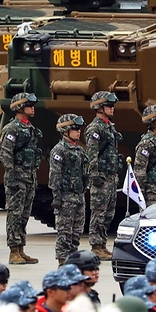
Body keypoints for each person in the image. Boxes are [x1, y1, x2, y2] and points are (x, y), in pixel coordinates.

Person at [0, 92, 42, 265]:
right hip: (17, 179)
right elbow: (6, 153)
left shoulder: (29, 128)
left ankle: (21, 248)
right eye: (28, 105)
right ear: (19, 107)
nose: (32, 107)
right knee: (15, 214)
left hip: (29, 177)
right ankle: (13, 251)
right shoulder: (12, 129)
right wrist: (13, 175)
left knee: (24, 215)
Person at [84, 91, 122, 260]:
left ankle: (102, 244)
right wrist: (94, 175)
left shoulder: (109, 127)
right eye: (109, 105)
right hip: (101, 178)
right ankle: (96, 245)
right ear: (99, 107)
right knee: (99, 212)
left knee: (108, 213)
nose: (112, 108)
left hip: (111, 176)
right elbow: (91, 154)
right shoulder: (95, 128)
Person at [48, 114, 88, 266]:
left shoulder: (79, 150)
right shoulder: (59, 150)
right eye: (75, 129)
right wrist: (56, 196)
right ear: (65, 131)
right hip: (65, 197)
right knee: (65, 232)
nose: (79, 132)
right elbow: (55, 174)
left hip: (78, 196)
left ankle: (72, 259)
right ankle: (63, 262)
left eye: (79, 129)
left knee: (76, 233)